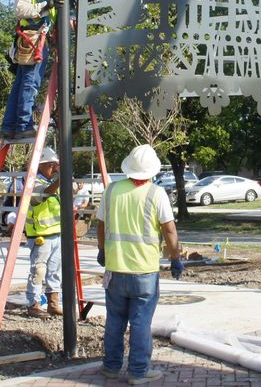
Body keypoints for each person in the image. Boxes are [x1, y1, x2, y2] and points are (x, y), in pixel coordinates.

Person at [97, 144, 183, 384]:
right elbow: (170, 230)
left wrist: (102, 250)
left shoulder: (111, 190)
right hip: (144, 271)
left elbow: (101, 225)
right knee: (141, 323)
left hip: (115, 269)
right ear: (152, 171)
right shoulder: (156, 194)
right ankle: (138, 372)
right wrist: (175, 258)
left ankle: (111, 367)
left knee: (115, 319)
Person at [0, 0, 64, 141]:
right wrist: (47, 5)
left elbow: (57, 10)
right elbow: (20, 10)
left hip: (40, 41)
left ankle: (9, 126)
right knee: (29, 83)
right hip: (31, 40)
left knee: (21, 84)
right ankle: (24, 125)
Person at [24, 147, 64, 318]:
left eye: (55, 165)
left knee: (54, 270)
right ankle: (34, 303)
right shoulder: (34, 182)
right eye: (50, 165)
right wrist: (60, 178)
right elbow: (42, 195)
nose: (53, 168)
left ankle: (53, 303)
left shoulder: (53, 182)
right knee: (38, 270)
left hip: (55, 233)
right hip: (39, 235)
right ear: (40, 165)